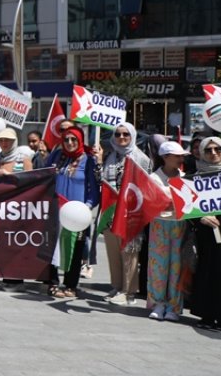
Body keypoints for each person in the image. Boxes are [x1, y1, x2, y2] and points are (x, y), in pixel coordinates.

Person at [188, 137, 221, 332]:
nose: (213, 153)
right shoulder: (196, 176)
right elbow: (188, 207)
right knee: (209, 272)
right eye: (208, 150)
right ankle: (208, 314)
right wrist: (200, 217)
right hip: (208, 233)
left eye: (217, 149)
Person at [101, 122, 150, 306]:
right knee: (113, 251)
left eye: (125, 135)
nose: (121, 138)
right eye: (118, 134)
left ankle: (128, 291)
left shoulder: (140, 158)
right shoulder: (110, 156)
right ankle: (117, 285)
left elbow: (145, 186)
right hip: (111, 212)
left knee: (129, 252)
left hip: (130, 212)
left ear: (132, 136)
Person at [48, 126, 99, 299]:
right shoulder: (57, 156)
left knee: (76, 249)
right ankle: (53, 283)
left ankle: (71, 285)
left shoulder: (89, 160)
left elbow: (95, 190)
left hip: (77, 214)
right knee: (53, 247)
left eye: (74, 140)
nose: (70, 143)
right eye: (67, 139)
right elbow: (44, 176)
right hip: (56, 211)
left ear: (80, 141)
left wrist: (87, 207)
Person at [147, 141, 189, 322]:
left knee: (176, 265)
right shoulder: (153, 178)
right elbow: (155, 201)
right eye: (177, 156)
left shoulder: (186, 177)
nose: (180, 159)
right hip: (159, 224)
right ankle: (158, 303)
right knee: (159, 265)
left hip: (179, 224)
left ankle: (174, 306)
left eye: (181, 156)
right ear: (165, 157)